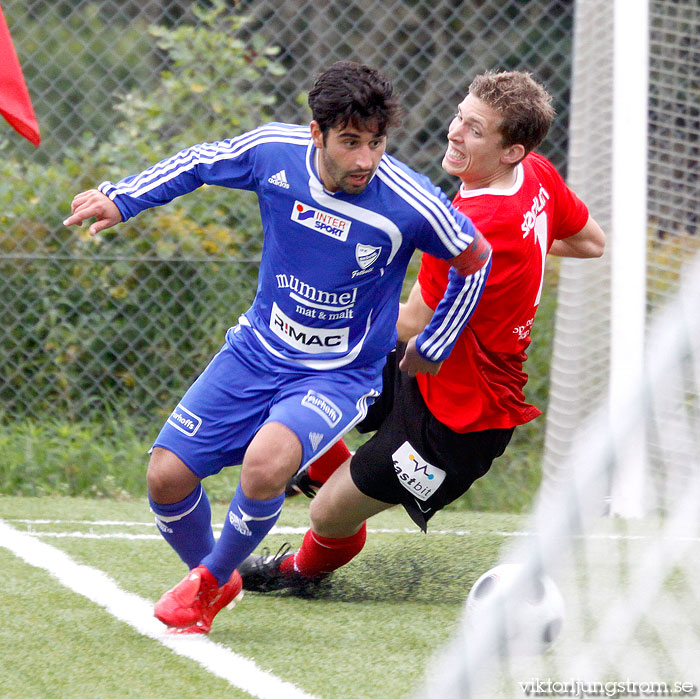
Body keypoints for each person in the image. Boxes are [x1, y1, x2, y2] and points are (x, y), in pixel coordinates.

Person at [63, 61, 492, 633]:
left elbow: (474, 258)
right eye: (350, 142)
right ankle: (217, 578)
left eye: (376, 143)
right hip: (256, 350)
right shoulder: (273, 152)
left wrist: (436, 341)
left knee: (266, 466)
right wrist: (123, 198)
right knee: (166, 477)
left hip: (339, 375)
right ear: (317, 133)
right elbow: (199, 163)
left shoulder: (409, 201)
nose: (365, 159)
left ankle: (207, 586)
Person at [237, 70, 605, 593]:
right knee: (300, 387)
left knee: (328, 516)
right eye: (460, 115)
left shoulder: (473, 221)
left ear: (511, 152)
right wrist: (515, 257)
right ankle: (309, 461)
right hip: (423, 367)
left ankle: (300, 573)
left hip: (458, 420)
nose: (455, 132)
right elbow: (591, 241)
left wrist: (326, 298)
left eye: (475, 130)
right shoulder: (538, 175)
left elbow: (409, 323)